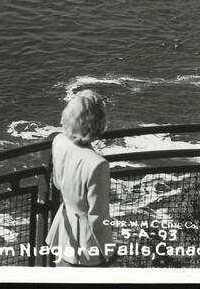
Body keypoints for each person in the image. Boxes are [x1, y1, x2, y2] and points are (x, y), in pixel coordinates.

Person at [46, 89, 114, 267]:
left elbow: (57, 183)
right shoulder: (98, 164)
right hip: (86, 247)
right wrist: (109, 252)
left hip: (64, 231)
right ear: (98, 121)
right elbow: (97, 219)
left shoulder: (59, 141)